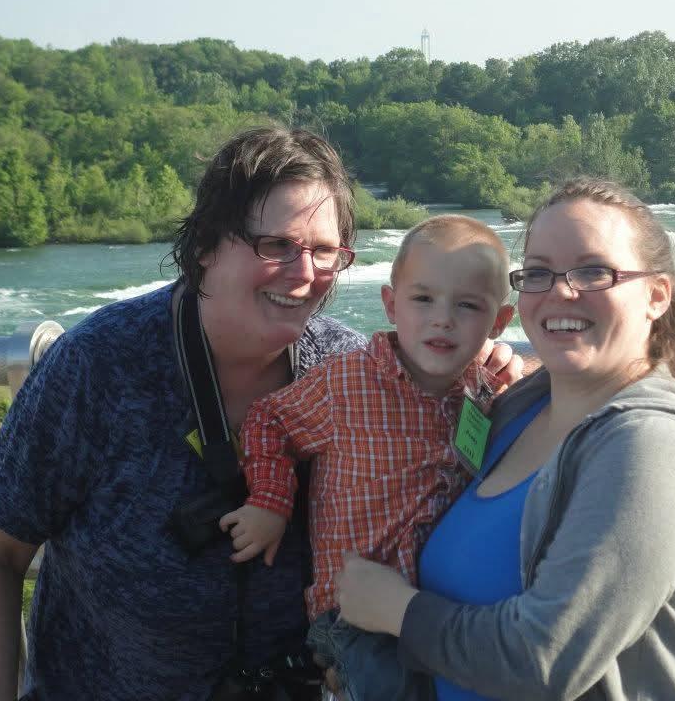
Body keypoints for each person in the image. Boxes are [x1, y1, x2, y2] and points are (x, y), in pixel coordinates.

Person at [0, 127, 520, 701]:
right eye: (276, 245)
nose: (304, 274)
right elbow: (3, 551)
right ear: (206, 245)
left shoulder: (346, 368)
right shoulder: (101, 367)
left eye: (324, 252)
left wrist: (489, 375)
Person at [334, 178, 675, 700]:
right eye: (539, 273)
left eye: (593, 271)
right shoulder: (516, 408)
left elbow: (544, 659)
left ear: (656, 295)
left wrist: (393, 610)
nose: (560, 292)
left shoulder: (653, 447)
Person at [220, 215, 514, 700]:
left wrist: (519, 368)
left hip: (431, 609)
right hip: (354, 615)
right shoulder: (347, 384)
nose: (443, 318)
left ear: (498, 322)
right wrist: (270, 502)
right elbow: (268, 420)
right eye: (423, 299)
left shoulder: (483, 393)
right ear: (391, 304)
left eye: (468, 305)